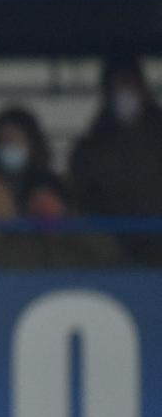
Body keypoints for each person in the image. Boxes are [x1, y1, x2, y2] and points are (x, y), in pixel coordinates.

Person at [69, 55, 162, 265]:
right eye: (118, 86)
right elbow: (82, 199)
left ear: (143, 88)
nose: (125, 93)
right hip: (112, 254)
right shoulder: (90, 147)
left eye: (130, 84)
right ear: (107, 93)